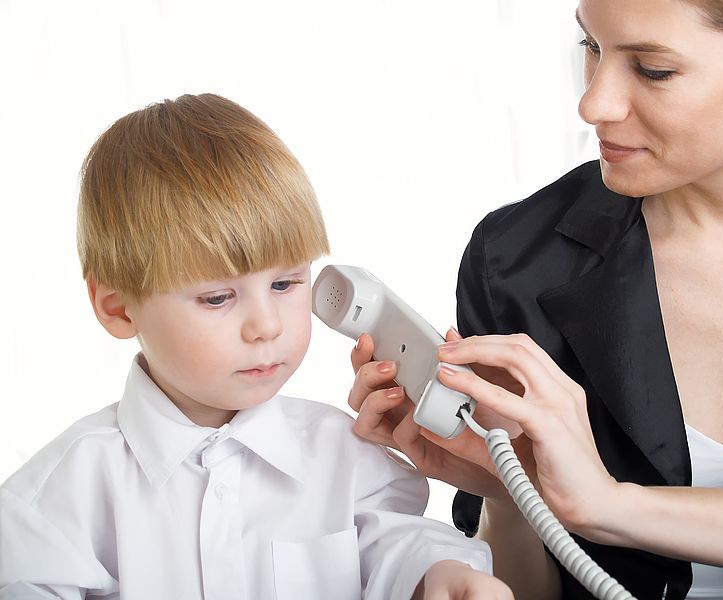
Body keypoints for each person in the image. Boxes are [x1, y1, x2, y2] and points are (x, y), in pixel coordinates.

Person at [346, 0, 723, 599]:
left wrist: (608, 507)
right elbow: (529, 586)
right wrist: (512, 487)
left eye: (652, 69)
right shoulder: (516, 259)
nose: (593, 104)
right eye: (591, 47)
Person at [0, 93, 513, 600]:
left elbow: (397, 543)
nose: (266, 325)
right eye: (219, 297)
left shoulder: (346, 454)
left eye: (286, 284)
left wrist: (439, 575)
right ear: (118, 308)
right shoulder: (56, 499)